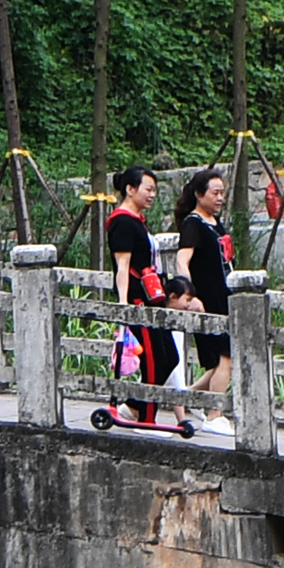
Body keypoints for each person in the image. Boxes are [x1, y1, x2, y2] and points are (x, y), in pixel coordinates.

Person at [99, 162, 169, 429]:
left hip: (152, 299)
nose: (152, 195)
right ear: (130, 189)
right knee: (153, 360)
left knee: (169, 358)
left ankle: (133, 407)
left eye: (154, 190)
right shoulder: (122, 223)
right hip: (137, 302)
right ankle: (147, 419)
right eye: (147, 189)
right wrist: (123, 306)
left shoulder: (138, 221)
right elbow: (123, 268)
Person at [174, 167, 234, 412]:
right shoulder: (193, 224)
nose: (220, 198)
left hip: (225, 296)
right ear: (199, 194)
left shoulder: (215, 223)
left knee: (222, 361)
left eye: (222, 193)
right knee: (225, 358)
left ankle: (185, 398)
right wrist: (191, 295)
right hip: (208, 299)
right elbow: (181, 261)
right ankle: (214, 413)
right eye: (215, 193)